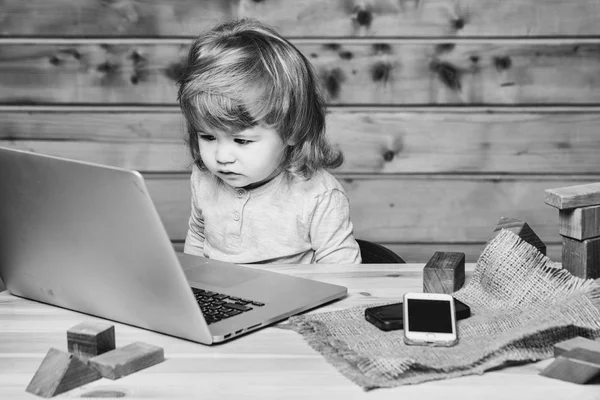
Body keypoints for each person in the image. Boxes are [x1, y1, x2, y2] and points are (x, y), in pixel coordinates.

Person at [177, 18, 361, 264]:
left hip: (296, 299)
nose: (222, 157)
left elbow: (342, 273)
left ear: (292, 131)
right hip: (223, 297)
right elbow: (198, 238)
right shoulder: (204, 179)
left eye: (241, 141)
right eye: (208, 137)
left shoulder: (319, 195)